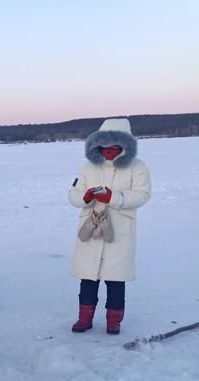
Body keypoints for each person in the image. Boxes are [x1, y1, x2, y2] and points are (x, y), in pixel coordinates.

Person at [68, 118, 151, 334]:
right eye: (104, 146)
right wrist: (85, 197)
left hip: (120, 230)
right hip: (91, 228)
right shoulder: (88, 167)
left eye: (113, 147)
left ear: (124, 146)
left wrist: (113, 197)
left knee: (115, 279)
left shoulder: (138, 167)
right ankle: (84, 318)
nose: (108, 151)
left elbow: (142, 195)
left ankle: (114, 320)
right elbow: (72, 194)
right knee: (88, 276)